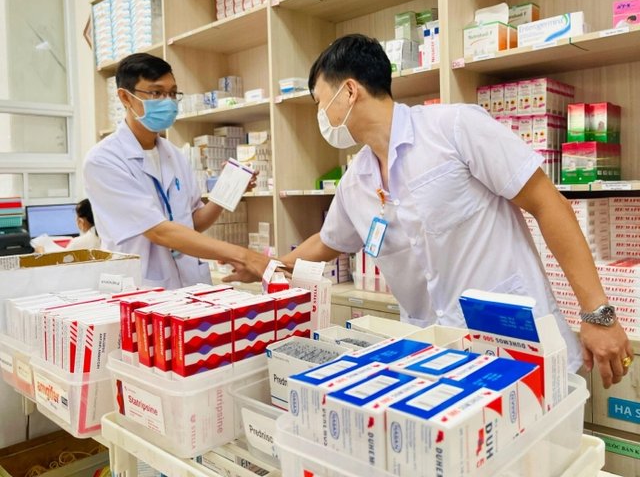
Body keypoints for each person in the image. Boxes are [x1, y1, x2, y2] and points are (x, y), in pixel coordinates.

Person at [228, 34, 631, 388]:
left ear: (349, 91)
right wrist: (272, 265)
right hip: (435, 359)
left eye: (321, 103)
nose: (322, 118)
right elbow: (329, 241)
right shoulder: (355, 182)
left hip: (515, 342)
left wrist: (597, 313)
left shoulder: (453, 128)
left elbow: (548, 204)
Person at [84, 53, 268, 289]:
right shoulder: (104, 160)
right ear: (125, 97)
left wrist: (228, 189)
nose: (168, 102)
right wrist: (244, 256)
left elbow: (192, 223)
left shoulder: (175, 154)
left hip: (190, 282)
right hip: (142, 287)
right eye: (156, 93)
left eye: (172, 93)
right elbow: (159, 231)